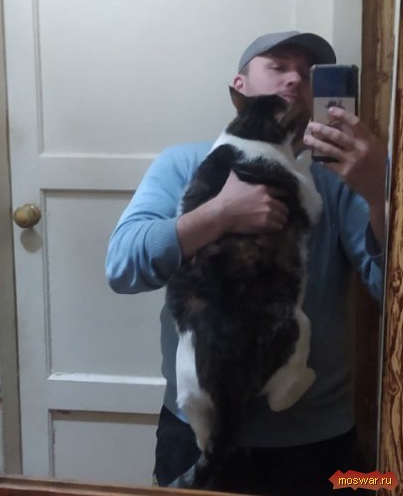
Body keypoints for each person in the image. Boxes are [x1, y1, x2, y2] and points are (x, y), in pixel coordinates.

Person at [105, 30, 386, 495]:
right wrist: (219, 213)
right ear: (240, 85)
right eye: (278, 66)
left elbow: (386, 287)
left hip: (316, 439)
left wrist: (378, 191)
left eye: (309, 74)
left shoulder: (341, 178)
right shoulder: (184, 164)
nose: (294, 79)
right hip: (193, 430)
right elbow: (122, 266)